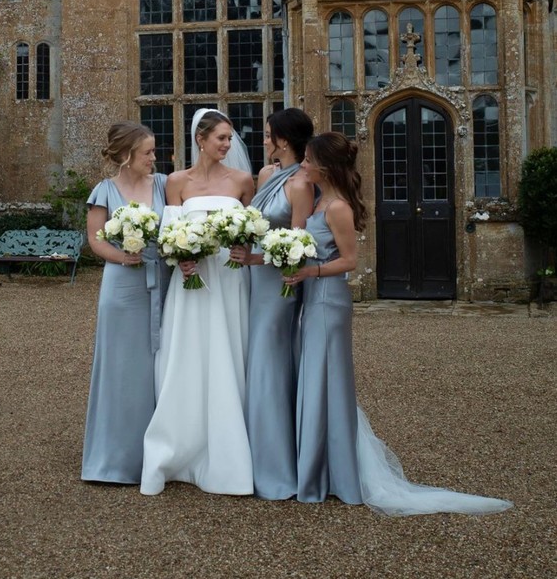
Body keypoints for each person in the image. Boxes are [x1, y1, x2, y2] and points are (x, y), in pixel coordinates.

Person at [283, 131, 512, 515]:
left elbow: (350, 262)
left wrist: (311, 271)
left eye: (307, 160)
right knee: (318, 379)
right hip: (315, 298)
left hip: (327, 300)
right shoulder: (321, 201)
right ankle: (322, 466)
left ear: (324, 166)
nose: (302, 166)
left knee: (326, 380)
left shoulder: (337, 207)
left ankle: (329, 472)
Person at [140, 109, 255, 496]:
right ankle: (179, 447)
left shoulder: (242, 181)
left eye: (230, 138)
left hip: (229, 281)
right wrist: (180, 256)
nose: (228, 144)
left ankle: (228, 451)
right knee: (187, 356)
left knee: (228, 352)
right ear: (200, 139)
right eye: (221, 138)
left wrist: (244, 249)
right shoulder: (177, 182)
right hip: (192, 281)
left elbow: (252, 232)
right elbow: (169, 235)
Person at [229, 108, 314, 499]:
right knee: (251, 356)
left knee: (269, 359)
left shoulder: (301, 183)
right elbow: (252, 222)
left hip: (280, 284)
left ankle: (275, 465)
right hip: (251, 279)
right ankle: (245, 455)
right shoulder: (264, 175)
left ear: (284, 139)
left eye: (268, 135)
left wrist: (258, 258)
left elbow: (298, 247)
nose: (263, 140)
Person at [82, 121, 169, 484]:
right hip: (122, 288)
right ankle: (114, 460)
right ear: (127, 155)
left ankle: (159, 455)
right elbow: (96, 240)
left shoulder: (164, 184)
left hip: (161, 281)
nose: (154, 158)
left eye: (153, 151)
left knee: (161, 365)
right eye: (148, 152)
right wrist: (123, 257)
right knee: (121, 369)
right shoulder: (104, 191)